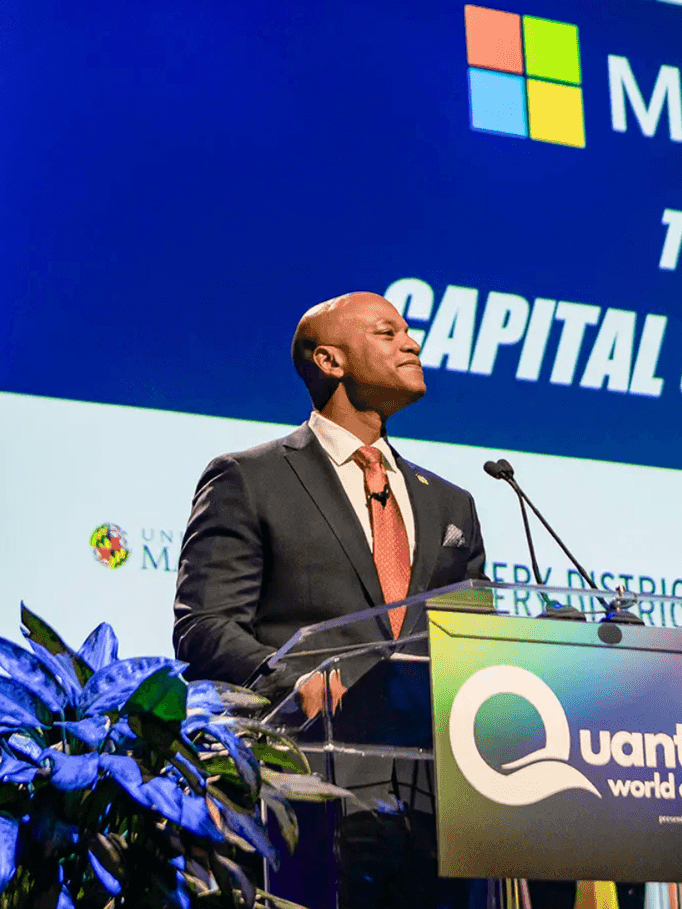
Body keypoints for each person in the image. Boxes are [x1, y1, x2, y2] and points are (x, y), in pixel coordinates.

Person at [173, 291, 487, 907]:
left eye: (408, 332)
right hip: (306, 786)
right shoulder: (249, 477)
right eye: (388, 332)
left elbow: (473, 647)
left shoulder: (453, 505)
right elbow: (205, 626)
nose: (412, 343)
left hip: (440, 805)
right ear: (331, 360)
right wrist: (298, 679)